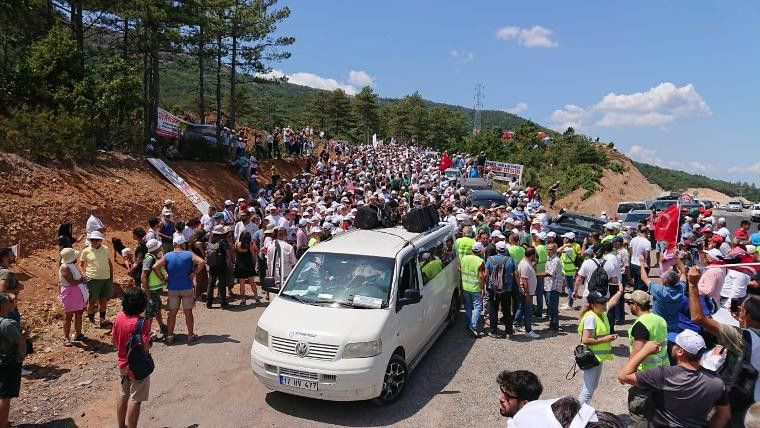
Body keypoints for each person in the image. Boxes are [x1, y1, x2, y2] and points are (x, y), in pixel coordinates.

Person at [688, 266, 760, 425]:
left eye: (741, 310)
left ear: (745, 315)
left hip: (745, 407)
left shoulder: (743, 337)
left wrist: (692, 284)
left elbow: (698, 317)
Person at [617, 329, 730, 428]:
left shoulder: (663, 374)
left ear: (680, 352)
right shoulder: (717, 383)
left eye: (674, 344)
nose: (672, 346)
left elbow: (623, 376)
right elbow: (724, 416)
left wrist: (644, 350)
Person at [623, 290, 668, 428]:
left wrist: (629, 375)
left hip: (645, 377)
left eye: (629, 303)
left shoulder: (640, 325)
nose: (628, 305)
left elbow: (637, 354)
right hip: (662, 373)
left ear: (636, 305)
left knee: (640, 414)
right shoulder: (660, 319)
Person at [152, 235, 205, 344]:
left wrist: (163, 278)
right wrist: (194, 273)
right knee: (188, 312)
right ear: (182, 244)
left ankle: (170, 336)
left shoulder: (167, 256)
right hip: (187, 287)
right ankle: (190, 335)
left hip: (172, 288)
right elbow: (202, 262)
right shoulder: (189, 254)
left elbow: (155, 267)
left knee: (172, 312)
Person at [111, 288, 152, 428]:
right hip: (138, 366)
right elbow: (145, 347)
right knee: (136, 399)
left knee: (123, 394)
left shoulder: (118, 317)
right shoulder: (141, 323)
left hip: (123, 363)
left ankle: (121, 426)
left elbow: (114, 341)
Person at [577, 290, 622, 405]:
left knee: (592, 387)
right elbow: (585, 340)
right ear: (593, 305)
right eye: (601, 303)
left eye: (604, 302)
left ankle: (583, 412)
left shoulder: (601, 314)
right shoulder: (590, 318)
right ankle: (575, 415)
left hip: (598, 358)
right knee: (588, 390)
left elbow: (612, 302)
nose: (604, 304)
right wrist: (605, 339)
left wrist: (620, 291)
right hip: (591, 357)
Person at [0, 293, 25, 428]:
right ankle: (3, 424)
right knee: (5, 396)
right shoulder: (7, 324)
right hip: (7, 362)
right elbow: (20, 342)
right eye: (8, 302)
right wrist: (21, 357)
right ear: (2, 306)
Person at [79, 231, 114, 328]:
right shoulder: (86, 251)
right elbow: (80, 265)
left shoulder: (106, 249)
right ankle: (91, 320)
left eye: (96, 239)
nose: (94, 241)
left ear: (101, 240)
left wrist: (111, 277)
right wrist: (84, 275)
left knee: (103, 300)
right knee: (92, 301)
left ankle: (102, 320)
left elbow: (109, 263)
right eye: (92, 239)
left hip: (105, 279)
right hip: (92, 279)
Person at [485, 241, 516, 337]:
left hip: (493, 288)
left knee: (493, 309)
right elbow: (515, 273)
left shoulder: (490, 259)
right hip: (507, 288)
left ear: (497, 249)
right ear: (505, 249)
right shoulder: (510, 260)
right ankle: (509, 332)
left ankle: (493, 331)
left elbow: (486, 274)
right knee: (506, 309)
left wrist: (487, 285)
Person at [140, 239, 167, 340]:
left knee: (157, 308)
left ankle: (162, 326)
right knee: (150, 312)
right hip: (150, 290)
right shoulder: (149, 259)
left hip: (154, 290)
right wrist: (148, 294)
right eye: (159, 247)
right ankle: (147, 333)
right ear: (155, 249)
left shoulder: (153, 257)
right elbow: (144, 276)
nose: (160, 248)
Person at [59, 248, 86, 346]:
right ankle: (66, 337)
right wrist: (82, 280)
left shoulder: (71, 265)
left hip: (76, 291)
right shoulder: (65, 267)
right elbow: (72, 282)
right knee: (68, 315)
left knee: (79, 313)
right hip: (70, 292)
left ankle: (78, 334)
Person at [459, 242, 486, 337]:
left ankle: (468, 323)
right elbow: (481, 276)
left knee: (468, 307)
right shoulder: (480, 261)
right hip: (475, 287)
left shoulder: (464, 258)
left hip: (465, 286)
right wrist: (483, 288)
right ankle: (473, 325)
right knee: (478, 307)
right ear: (480, 251)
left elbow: (459, 269)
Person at [514, 247, 540, 339]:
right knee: (528, 311)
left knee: (521, 308)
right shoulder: (525, 264)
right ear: (532, 255)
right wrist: (527, 294)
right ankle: (528, 330)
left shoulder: (526, 262)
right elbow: (524, 280)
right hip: (526, 292)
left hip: (525, 291)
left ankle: (516, 324)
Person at [206, 225, 233, 308]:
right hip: (221, 265)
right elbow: (228, 252)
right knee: (222, 284)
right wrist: (230, 262)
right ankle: (223, 302)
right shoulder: (223, 242)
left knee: (211, 283)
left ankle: (209, 303)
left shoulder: (211, 240)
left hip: (212, 265)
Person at [542, 243, 564, 330]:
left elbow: (549, 273)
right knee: (550, 306)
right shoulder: (550, 259)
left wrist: (534, 275)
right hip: (548, 286)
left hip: (554, 287)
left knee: (553, 307)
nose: (549, 251)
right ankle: (553, 324)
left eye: (550, 249)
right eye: (548, 249)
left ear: (555, 250)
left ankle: (554, 326)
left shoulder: (556, 260)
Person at [234, 231, 260, 306]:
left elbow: (236, 254)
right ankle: (256, 298)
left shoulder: (237, 244)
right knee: (252, 282)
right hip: (248, 265)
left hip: (239, 265)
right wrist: (254, 264)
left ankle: (243, 300)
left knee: (242, 283)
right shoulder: (250, 245)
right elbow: (253, 256)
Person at [0, 248, 22, 323]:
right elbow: (2, 292)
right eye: (11, 255)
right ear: (4, 258)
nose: (13, 257)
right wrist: (18, 288)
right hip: (9, 310)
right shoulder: (5, 273)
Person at [629, 226, 652, 292]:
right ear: (647, 232)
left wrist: (634, 257)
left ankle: (635, 298)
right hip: (641, 265)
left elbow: (630, 251)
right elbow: (647, 256)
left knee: (636, 283)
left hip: (633, 263)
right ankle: (639, 300)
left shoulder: (633, 239)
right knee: (642, 285)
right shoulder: (647, 242)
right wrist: (648, 266)